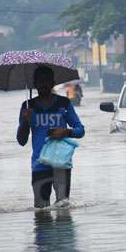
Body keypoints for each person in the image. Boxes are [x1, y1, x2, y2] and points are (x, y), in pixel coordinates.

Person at [17, 66, 85, 209]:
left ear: (53, 82)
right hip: (39, 165)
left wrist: (65, 132)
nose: (44, 84)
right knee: (41, 211)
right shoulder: (28, 106)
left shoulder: (63, 103)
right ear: (34, 83)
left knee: (63, 208)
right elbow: (21, 141)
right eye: (40, 81)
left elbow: (80, 130)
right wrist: (25, 122)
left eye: (47, 80)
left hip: (61, 163)